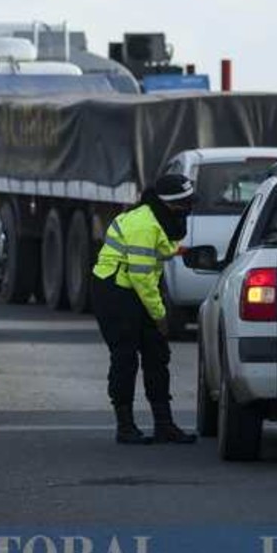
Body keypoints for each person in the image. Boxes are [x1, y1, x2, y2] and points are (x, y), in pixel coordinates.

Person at [91, 173, 199, 445]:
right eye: (185, 204)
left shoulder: (155, 219)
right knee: (125, 358)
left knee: (157, 355)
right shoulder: (144, 225)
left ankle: (164, 425)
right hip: (115, 292)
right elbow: (141, 276)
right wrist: (160, 315)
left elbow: (157, 249)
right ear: (171, 205)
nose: (189, 210)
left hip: (134, 289)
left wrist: (180, 252)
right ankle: (125, 427)